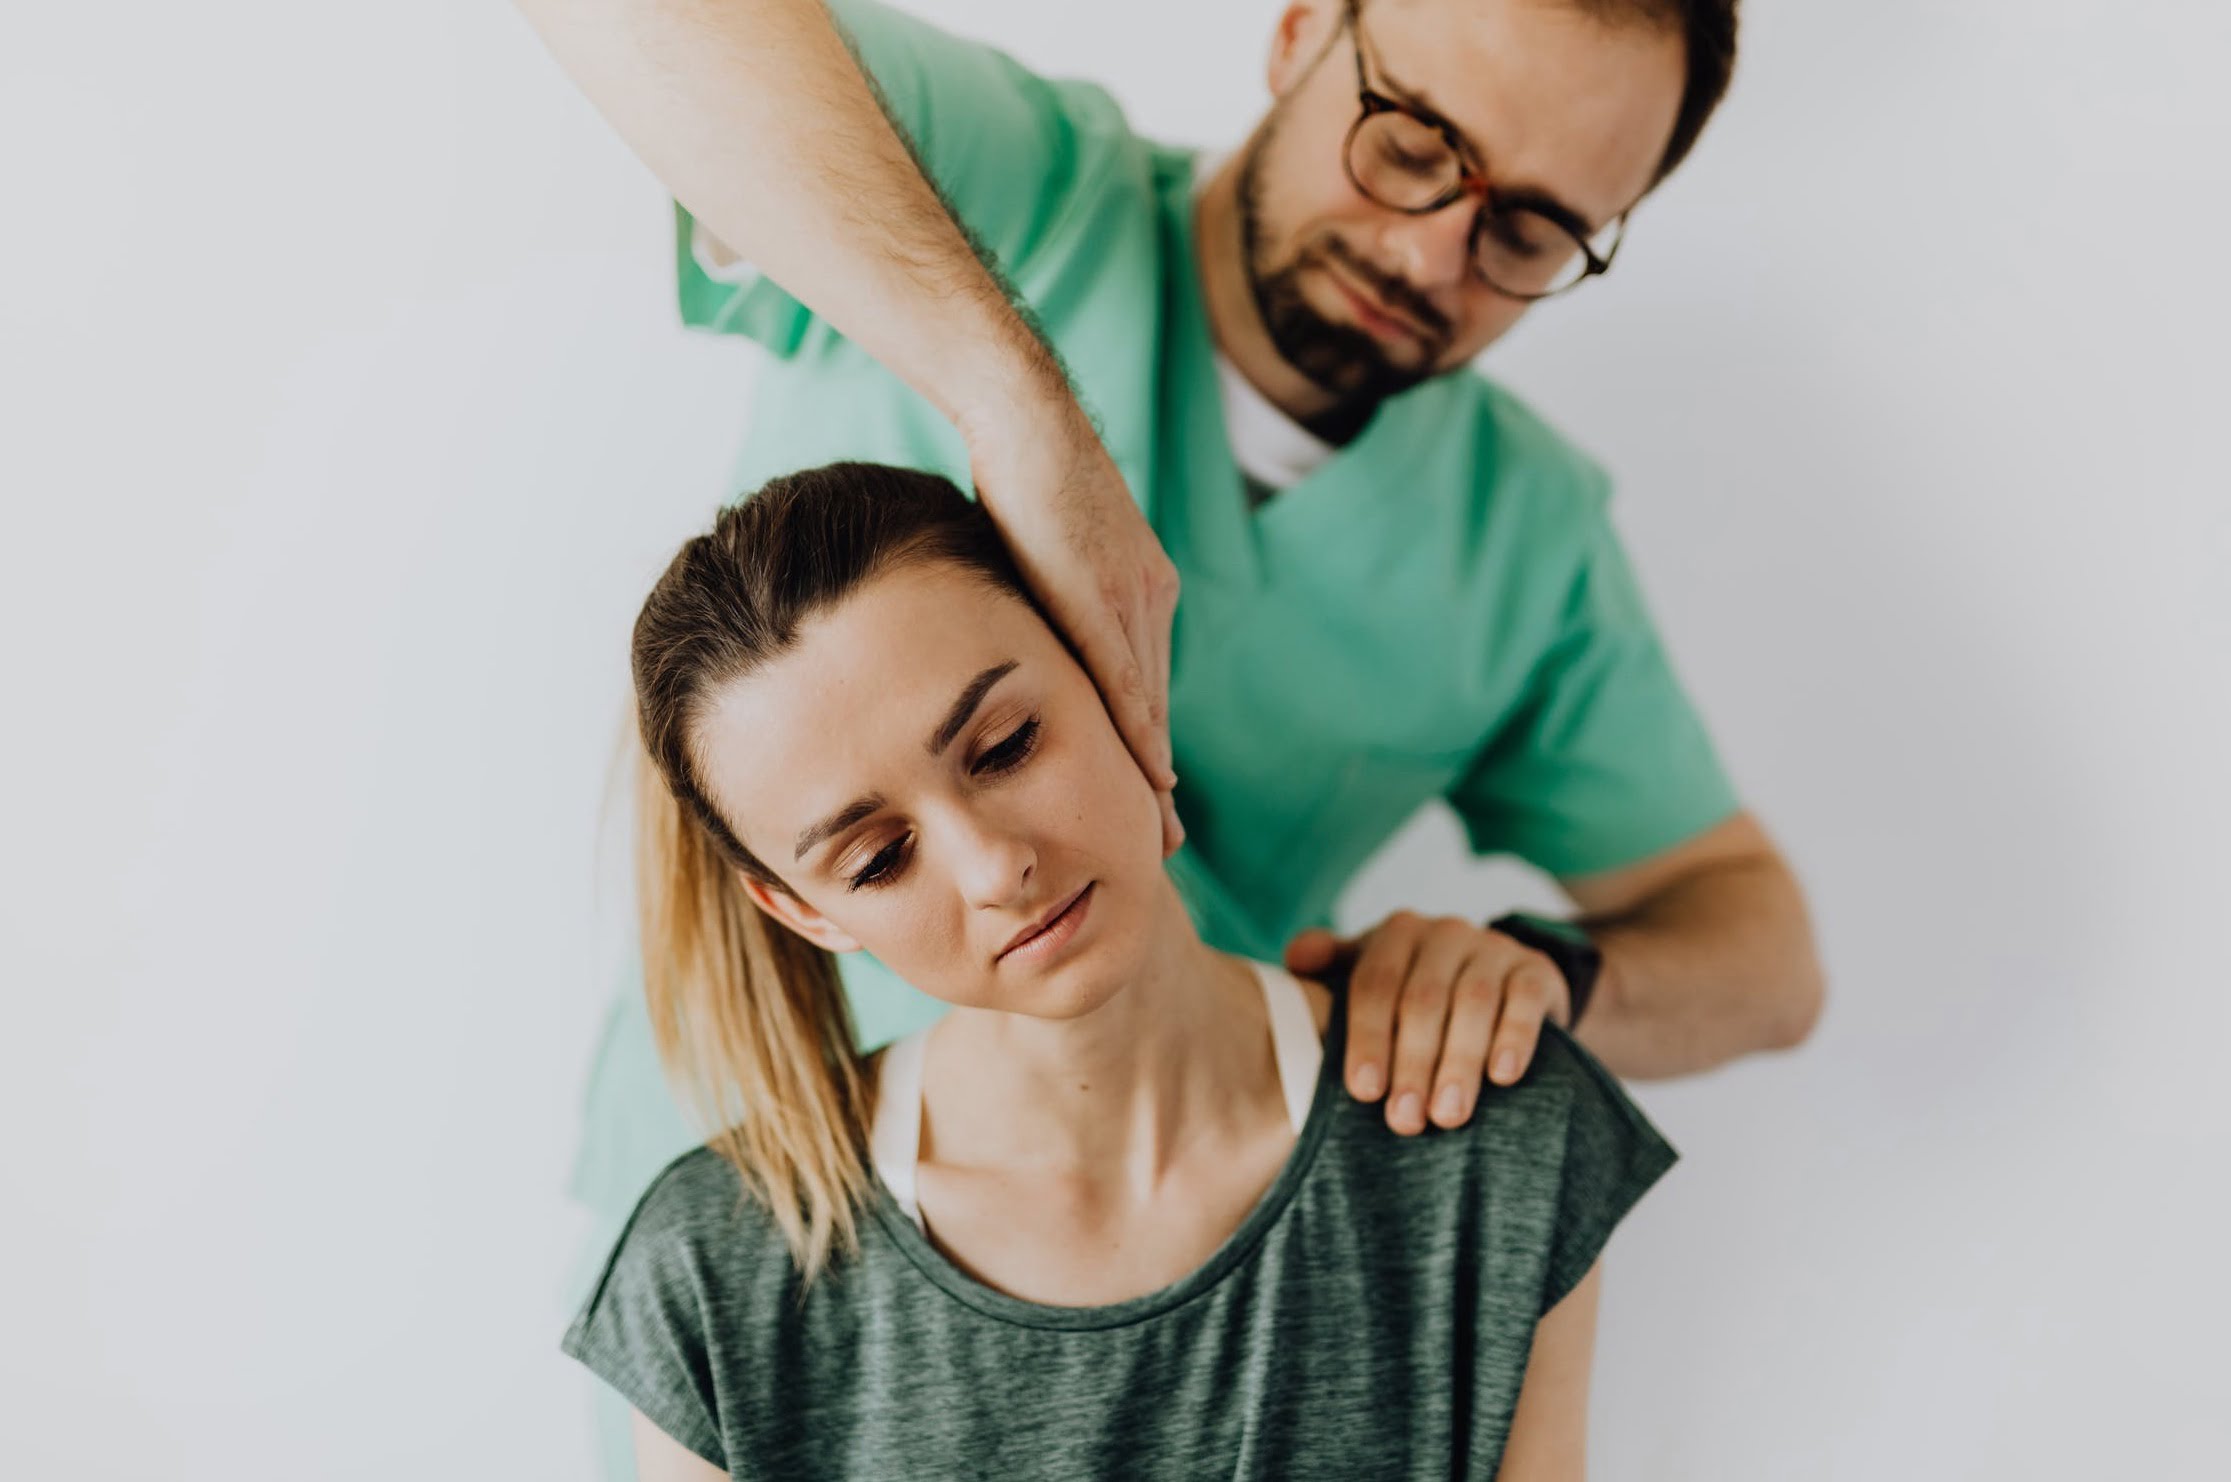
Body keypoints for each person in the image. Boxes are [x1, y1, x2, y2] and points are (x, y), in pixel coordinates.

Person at [521, 5, 1825, 1460]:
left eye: (1527, 231)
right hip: (817, 1275)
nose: (1425, 255)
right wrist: (1014, 402)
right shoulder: (1014, 191)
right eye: (1409, 145)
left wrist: (1530, 978)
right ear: (1298, 34)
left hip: (1237, 1272)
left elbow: (1761, 959)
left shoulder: (1518, 538)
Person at [570, 460, 1677, 1480]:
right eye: (877, 858)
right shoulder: (711, 1277)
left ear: (1113, 668)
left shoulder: (1488, 1142)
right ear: (805, 914)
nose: (996, 867)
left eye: (1005, 747)